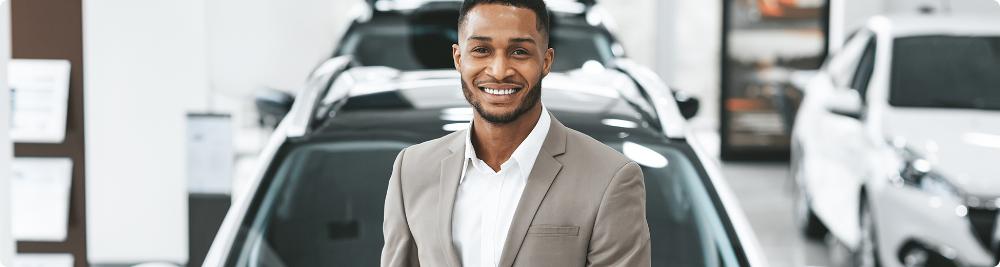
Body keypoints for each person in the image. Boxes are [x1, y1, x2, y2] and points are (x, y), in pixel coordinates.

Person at [381, 0, 650, 266]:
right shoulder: (411, 171)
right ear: (459, 59)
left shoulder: (610, 178)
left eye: (519, 51)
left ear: (546, 62)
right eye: (481, 50)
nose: (499, 71)